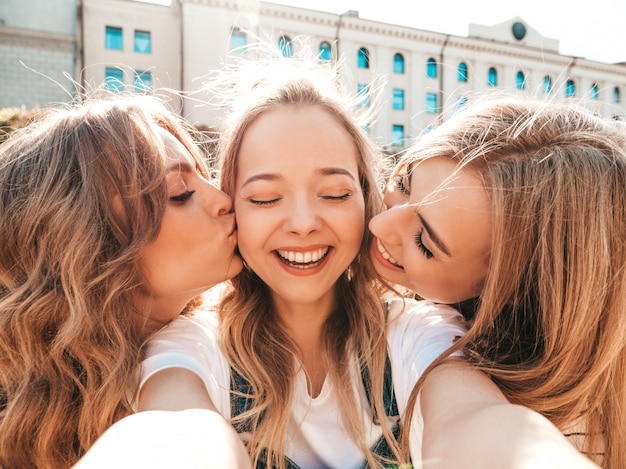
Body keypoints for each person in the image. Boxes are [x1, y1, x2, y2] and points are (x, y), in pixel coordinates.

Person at [138, 43, 597, 468]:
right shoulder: (192, 346)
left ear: (365, 195)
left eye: (335, 194)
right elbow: (171, 437)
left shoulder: (417, 333)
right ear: (231, 205)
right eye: (264, 198)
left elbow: (476, 420)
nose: (302, 222)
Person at [369, 95, 626, 468]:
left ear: (506, 294)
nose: (379, 224)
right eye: (404, 183)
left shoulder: (457, 360)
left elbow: (479, 426)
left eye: (425, 243)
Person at [0, 93, 247, 468]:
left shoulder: (223, 340)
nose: (224, 199)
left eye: (205, 175)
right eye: (180, 194)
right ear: (89, 247)